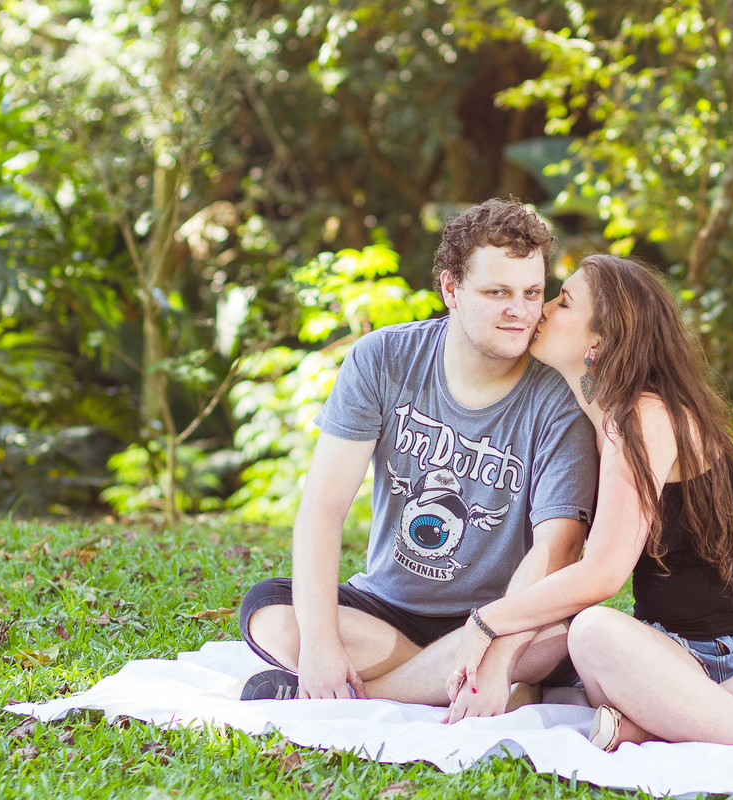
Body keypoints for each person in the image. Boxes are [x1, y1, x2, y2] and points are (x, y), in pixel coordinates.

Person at [446, 254, 733, 749]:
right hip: (673, 654)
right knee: (592, 634)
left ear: (601, 341)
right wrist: (504, 649)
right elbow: (567, 560)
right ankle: (727, 724)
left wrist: (486, 621)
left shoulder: (646, 415)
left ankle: (680, 725)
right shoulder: (586, 423)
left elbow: (603, 572)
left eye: (563, 301)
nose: (542, 309)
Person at [236, 199, 598, 720]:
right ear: (451, 289)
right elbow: (323, 506)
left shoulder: (559, 393)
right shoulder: (383, 358)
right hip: (389, 610)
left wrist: (494, 636)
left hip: (507, 617)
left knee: (562, 636)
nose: (520, 311)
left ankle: (375, 694)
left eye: (532, 293)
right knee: (271, 612)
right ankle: (465, 686)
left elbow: (558, 547)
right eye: (497, 293)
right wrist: (319, 646)